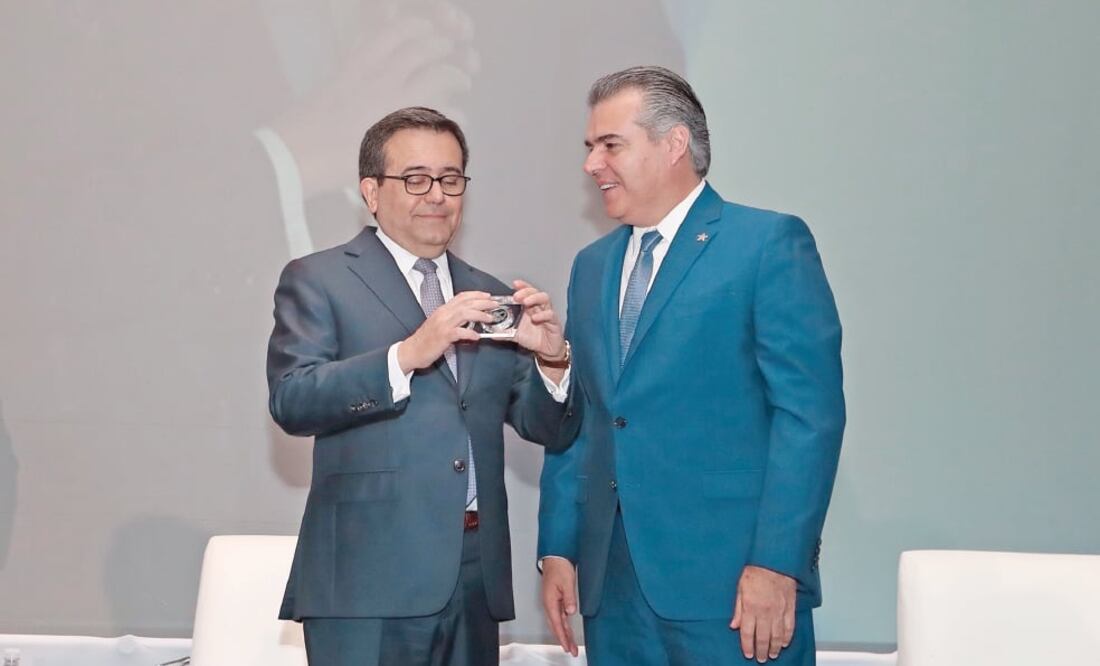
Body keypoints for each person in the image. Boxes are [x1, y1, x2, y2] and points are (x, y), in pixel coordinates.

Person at [538, 66, 845, 665]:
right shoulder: (591, 265)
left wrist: (777, 562)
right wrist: (558, 547)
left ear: (673, 143)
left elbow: (808, 419)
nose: (591, 164)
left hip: (733, 591)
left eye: (610, 145)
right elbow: (588, 417)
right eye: (589, 147)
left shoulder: (767, 244)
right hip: (613, 592)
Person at [267, 107, 579, 665]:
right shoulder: (319, 278)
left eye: (451, 179)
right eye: (415, 179)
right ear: (371, 191)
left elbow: (546, 426)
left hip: (473, 576)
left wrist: (552, 358)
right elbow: (293, 400)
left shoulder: (487, 296)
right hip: (366, 582)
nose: (436, 194)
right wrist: (408, 355)